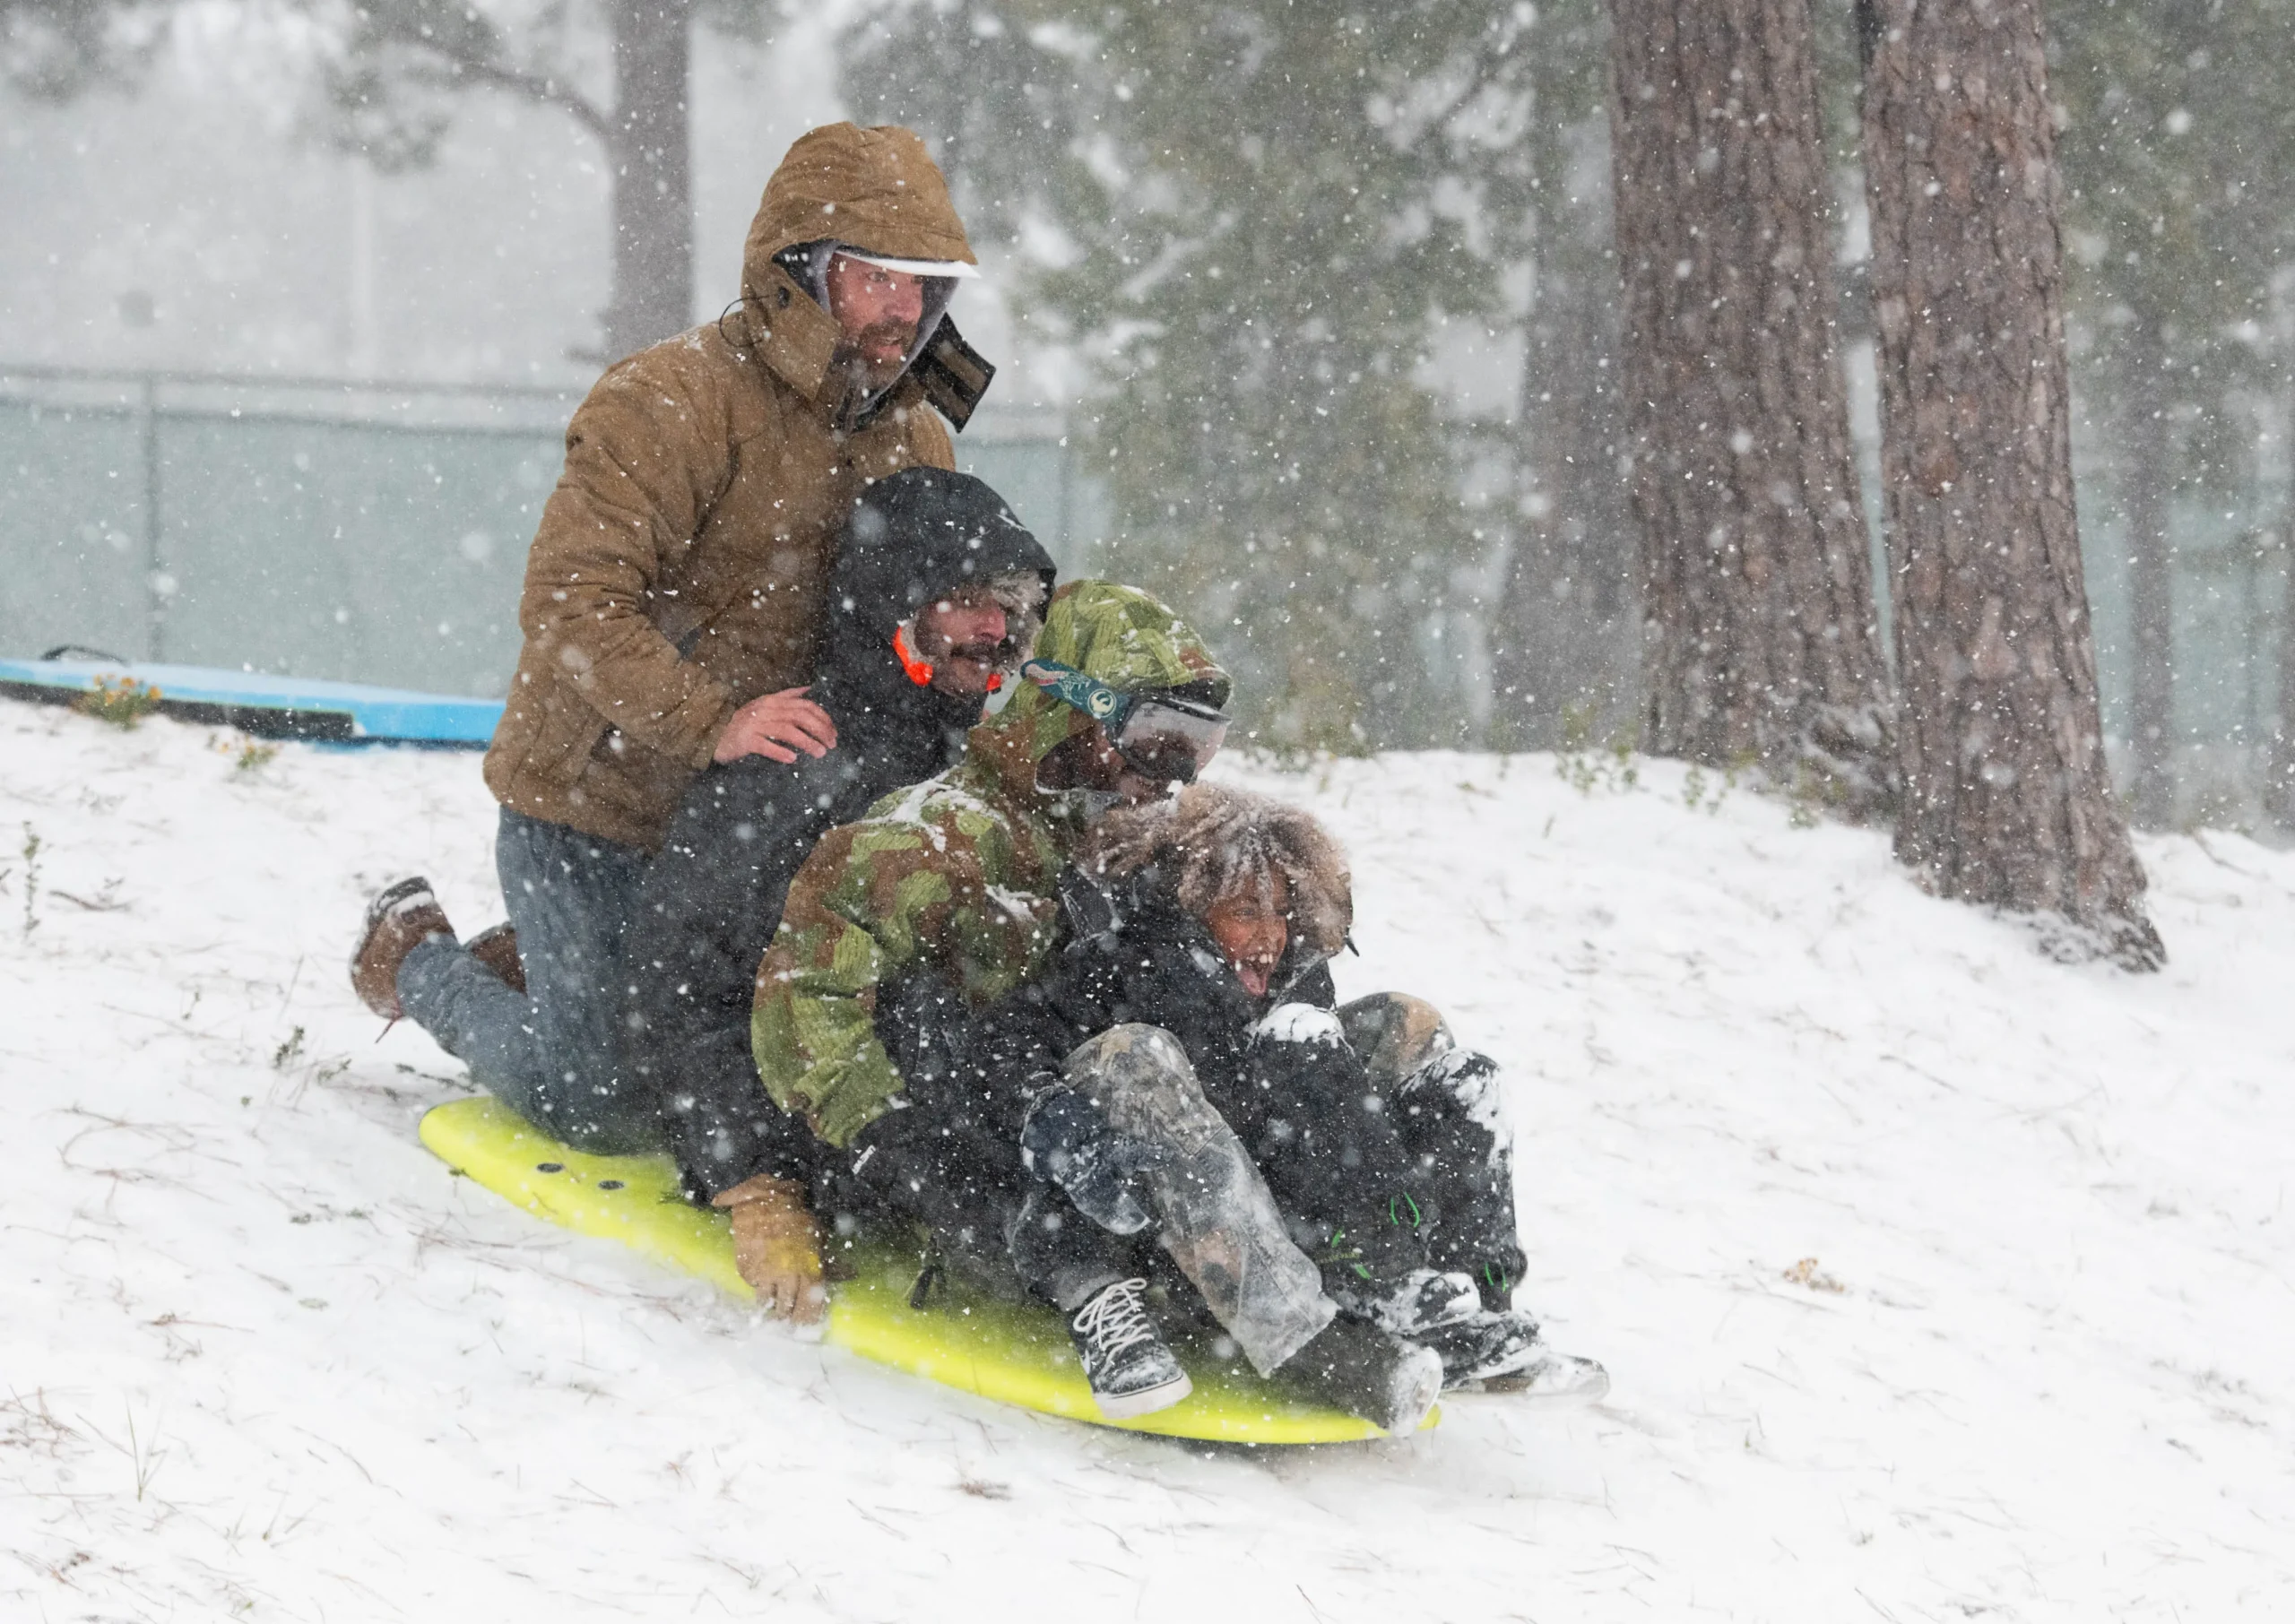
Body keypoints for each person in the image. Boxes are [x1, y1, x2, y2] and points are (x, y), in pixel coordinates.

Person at [347, 121, 994, 1153]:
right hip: (600, 807)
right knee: (603, 1104)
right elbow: (572, 604)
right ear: (802, 272)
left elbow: (922, 623)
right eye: (879, 279)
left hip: (761, 827)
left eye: (924, 286)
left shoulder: (916, 430)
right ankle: (417, 957)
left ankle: (564, 971)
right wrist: (712, 719)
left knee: (790, 1073)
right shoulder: (667, 400)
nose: (906, 311)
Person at [747, 581, 1447, 1432]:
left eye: (1199, 745)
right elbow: (806, 1001)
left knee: (1400, 1032)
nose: (1175, 773)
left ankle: (1417, 1278)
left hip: (1148, 1140)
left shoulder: (1134, 830)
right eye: (1159, 738)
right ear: (1070, 711)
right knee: (1135, 1063)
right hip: (1004, 1167)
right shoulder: (928, 842)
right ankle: (1302, 1341)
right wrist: (897, 1152)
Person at [621, 466, 1054, 1303]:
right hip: (810, 1112)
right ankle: (423, 962)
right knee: (565, 1083)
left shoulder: (973, 756)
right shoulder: (802, 764)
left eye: (1009, 604)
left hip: (906, 1099)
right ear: (898, 603)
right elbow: (678, 981)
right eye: (966, 599)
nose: (994, 626)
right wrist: (756, 1182)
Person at [1042, 782, 1608, 1399]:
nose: (1271, 935)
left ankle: (1468, 1304)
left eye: (1282, 912)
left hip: (1306, 1204)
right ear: (1194, 907)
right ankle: (1367, 1290)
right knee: (1288, 1038)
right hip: (1196, 1245)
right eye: (1245, 912)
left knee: (1452, 1065)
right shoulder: (1127, 969)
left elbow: (1321, 1122)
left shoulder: (1292, 976)